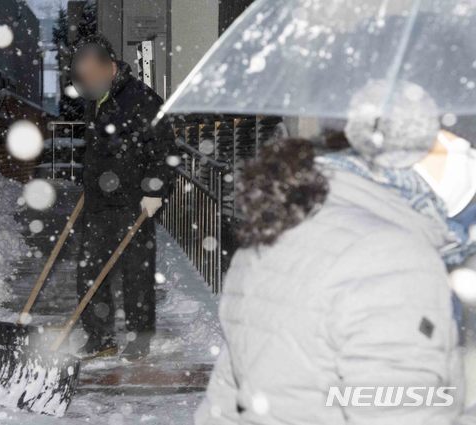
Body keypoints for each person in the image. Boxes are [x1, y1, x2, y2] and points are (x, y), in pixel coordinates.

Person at [196, 80, 476, 424]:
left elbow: (225, 398)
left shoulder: (285, 225)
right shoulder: (393, 259)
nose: (472, 161)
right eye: (467, 147)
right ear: (422, 145)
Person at [69, 34, 176, 360]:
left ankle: (139, 342)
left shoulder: (142, 100)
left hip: (134, 202)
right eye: (82, 78)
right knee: (90, 272)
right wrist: (86, 180)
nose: (87, 83)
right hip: (100, 203)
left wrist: (154, 191)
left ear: (110, 67)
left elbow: (164, 149)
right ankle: (101, 338)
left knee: (135, 275)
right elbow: (100, 150)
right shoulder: (98, 100)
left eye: (91, 75)